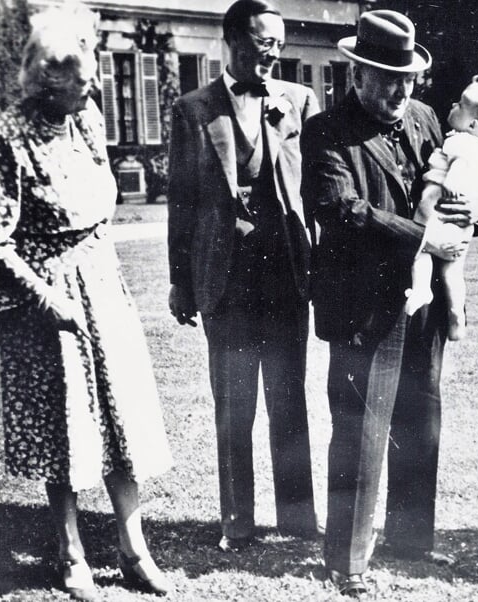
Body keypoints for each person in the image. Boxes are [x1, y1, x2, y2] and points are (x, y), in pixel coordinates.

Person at [0, 6, 172, 599]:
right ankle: (70, 556)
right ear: (46, 77)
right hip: (49, 303)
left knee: (121, 421)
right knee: (65, 429)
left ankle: (134, 550)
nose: (90, 90)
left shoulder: (85, 115)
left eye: (91, 79)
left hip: (102, 288)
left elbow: (100, 200)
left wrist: (103, 280)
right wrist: (46, 300)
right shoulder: (6, 136)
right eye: (80, 79)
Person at [301, 10, 478, 598]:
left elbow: (466, 185)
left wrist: (476, 216)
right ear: (355, 74)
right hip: (362, 306)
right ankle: (347, 561)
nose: (399, 92)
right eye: (387, 79)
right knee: (359, 429)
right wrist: (425, 237)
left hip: (423, 301)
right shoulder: (326, 132)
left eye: (407, 79)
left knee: (419, 417)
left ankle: (412, 541)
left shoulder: (429, 119)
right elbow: (342, 210)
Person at [167, 0, 320, 551]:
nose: (272, 51)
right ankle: (238, 523)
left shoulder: (299, 100)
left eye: (278, 42)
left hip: (284, 276)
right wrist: (180, 281)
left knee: (289, 400)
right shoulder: (193, 109)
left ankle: (300, 520)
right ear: (231, 40)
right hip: (224, 281)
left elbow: (314, 188)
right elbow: (181, 203)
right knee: (234, 406)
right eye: (262, 41)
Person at [405, 75, 478, 340]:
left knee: (422, 250)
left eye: (460, 105)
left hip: (440, 208)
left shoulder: (460, 142)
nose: (453, 104)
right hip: (461, 223)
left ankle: (421, 289)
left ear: (473, 123)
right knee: (453, 271)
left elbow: (460, 164)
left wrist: (451, 180)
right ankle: (456, 315)